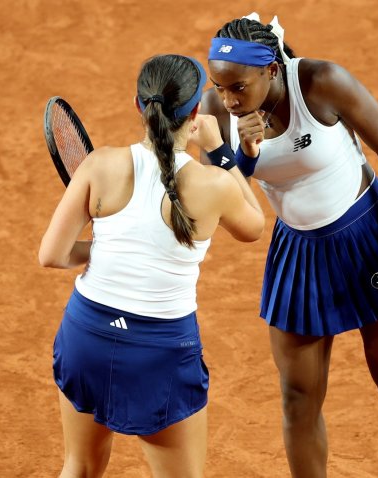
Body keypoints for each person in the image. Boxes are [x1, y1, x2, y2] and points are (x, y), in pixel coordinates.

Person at [199, 14, 378, 478]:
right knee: (297, 397)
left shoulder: (322, 82)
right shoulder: (215, 111)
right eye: (220, 87)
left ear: (270, 70)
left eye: (238, 88)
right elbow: (229, 191)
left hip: (369, 236)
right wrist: (242, 155)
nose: (228, 99)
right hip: (299, 255)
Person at [38, 54, 264, 478]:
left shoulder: (99, 163)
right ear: (196, 113)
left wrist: (111, 250)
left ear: (139, 106)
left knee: (79, 466)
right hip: (160, 355)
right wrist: (218, 149)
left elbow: (51, 255)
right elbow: (254, 225)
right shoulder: (213, 183)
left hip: (86, 338)